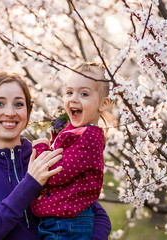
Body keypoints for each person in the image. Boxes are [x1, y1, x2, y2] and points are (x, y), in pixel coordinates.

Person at [0, 71, 111, 240]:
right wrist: (31, 183)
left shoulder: (45, 156)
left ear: (28, 111)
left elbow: (98, 216)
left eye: (19, 104)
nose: (11, 112)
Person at [30, 62, 112, 240]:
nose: (74, 98)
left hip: (68, 223)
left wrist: (41, 147)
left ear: (104, 103)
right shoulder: (80, 133)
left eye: (84, 94)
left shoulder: (89, 136)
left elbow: (56, 173)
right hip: (62, 220)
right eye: (69, 92)